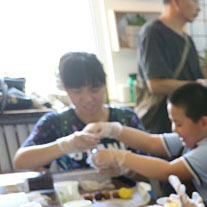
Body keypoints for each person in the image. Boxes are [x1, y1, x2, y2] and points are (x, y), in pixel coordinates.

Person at [87, 82, 207, 207]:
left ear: (203, 123)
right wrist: (113, 130)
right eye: (172, 122)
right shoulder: (194, 138)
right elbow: (151, 142)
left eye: (178, 123)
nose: (174, 129)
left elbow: (167, 171)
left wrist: (120, 157)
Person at [13, 52, 144, 172]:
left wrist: (127, 170)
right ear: (66, 89)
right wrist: (65, 145)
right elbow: (20, 162)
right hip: (78, 196)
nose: (88, 99)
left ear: (105, 85)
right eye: (77, 92)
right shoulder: (55, 123)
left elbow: (155, 163)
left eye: (95, 89)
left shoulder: (126, 118)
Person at [136, 0, 207, 133]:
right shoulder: (153, 33)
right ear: (175, 2)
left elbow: (195, 81)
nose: (199, 8)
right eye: (194, 1)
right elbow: (155, 84)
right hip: (161, 126)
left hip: (187, 129)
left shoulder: (187, 40)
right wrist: (202, 85)